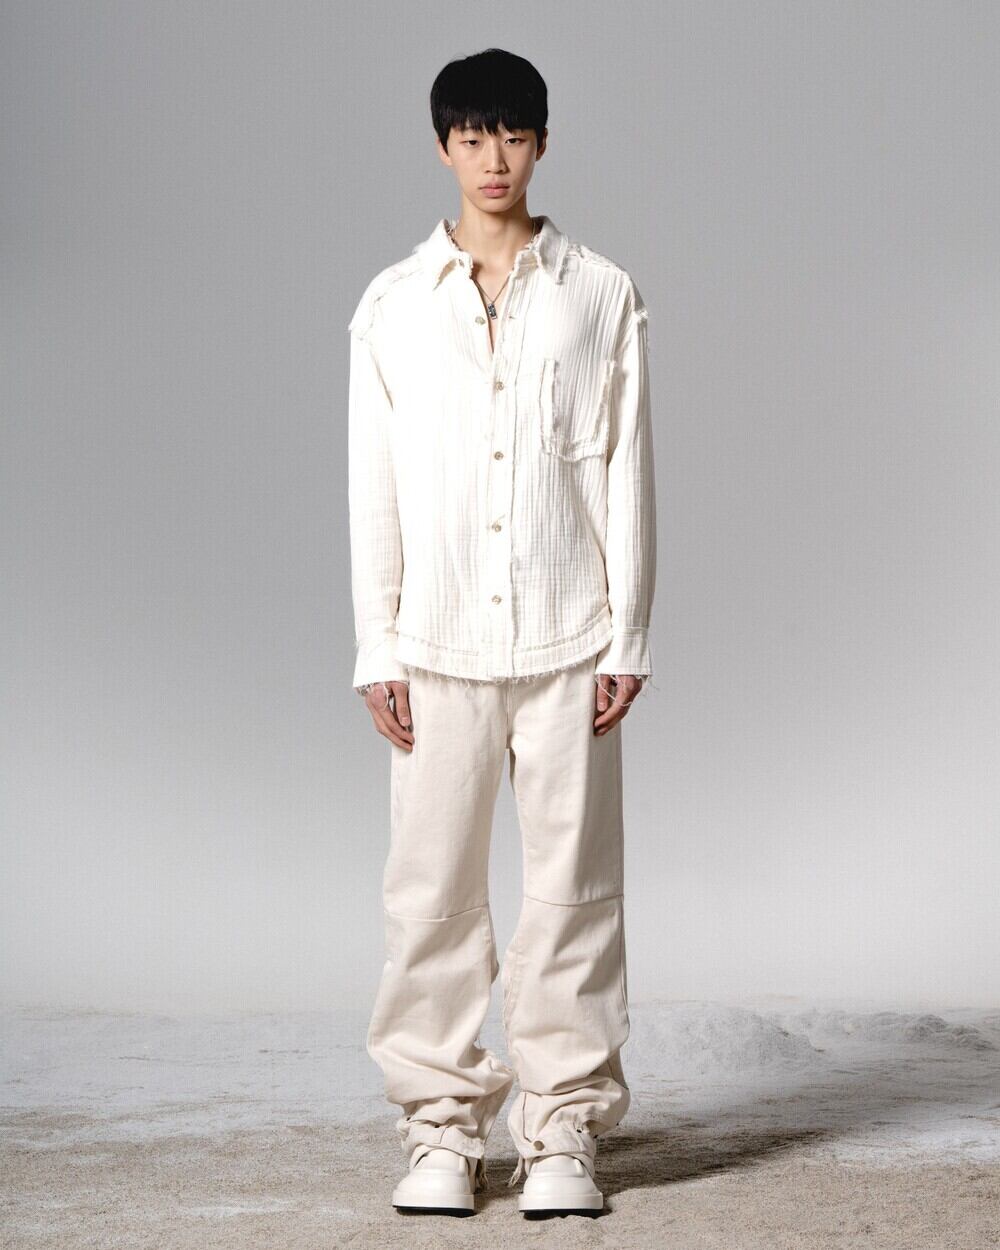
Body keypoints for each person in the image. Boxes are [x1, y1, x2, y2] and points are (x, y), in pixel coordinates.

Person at [347, 46, 656, 1218]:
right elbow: (374, 486)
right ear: (442, 146)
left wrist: (628, 630)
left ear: (541, 144)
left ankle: (562, 1128)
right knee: (428, 894)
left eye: (512, 135)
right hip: (434, 646)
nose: (493, 159)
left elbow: (624, 467)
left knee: (573, 893)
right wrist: (376, 644)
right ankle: (439, 1128)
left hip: (570, 639)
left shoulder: (600, 293)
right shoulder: (391, 304)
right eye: (471, 136)